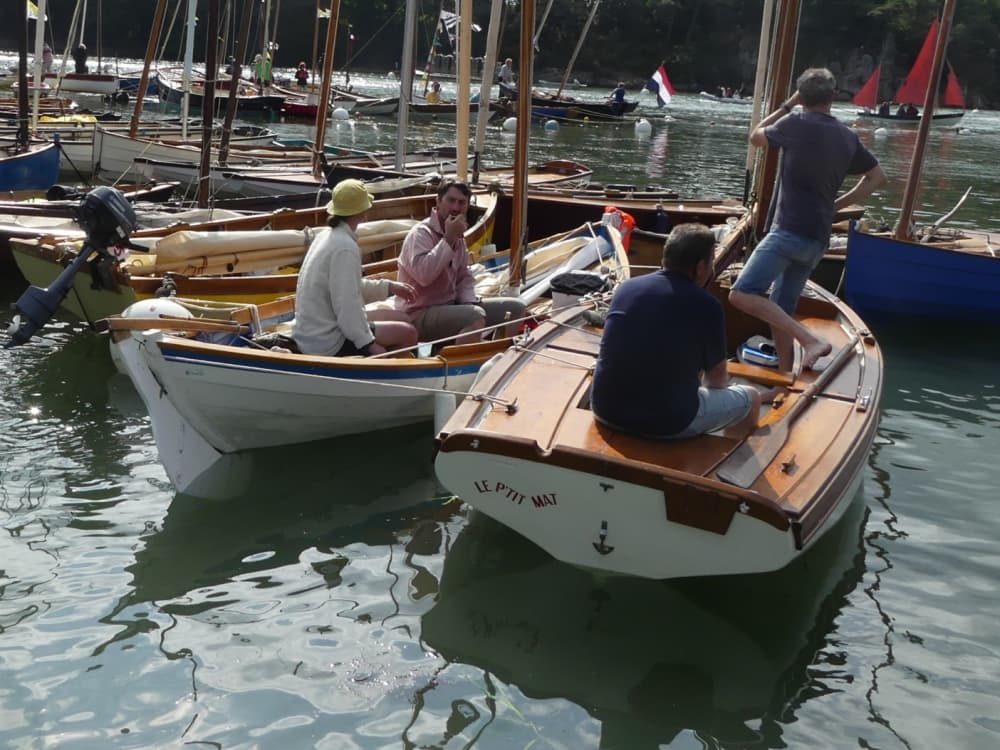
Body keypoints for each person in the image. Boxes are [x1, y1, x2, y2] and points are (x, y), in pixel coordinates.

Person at [730, 67, 887, 371]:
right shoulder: (847, 135)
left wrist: (788, 105)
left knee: (741, 294)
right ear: (833, 96)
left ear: (802, 96)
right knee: (781, 309)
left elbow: (756, 138)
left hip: (788, 231)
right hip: (817, 239)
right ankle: (787, 373)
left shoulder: (794, 122)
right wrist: (836, 206)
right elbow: (878, 178)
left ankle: (810, 341)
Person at [591, 223, 768, 439]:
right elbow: (717, 381)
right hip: (668, 424)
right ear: (701, 266)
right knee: (752, 397)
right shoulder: (708, 305)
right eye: (711, 262)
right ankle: (726, 464)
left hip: (604, 410)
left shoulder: (627, 288)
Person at [293, 179, 418, 357]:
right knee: (408, 333)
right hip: (327, 340)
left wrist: (388, 287)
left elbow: (345, 287)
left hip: (314, 329)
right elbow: (346, 304)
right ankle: (381, 374)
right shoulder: (345, 248)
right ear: (363, 212)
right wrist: (368, 344)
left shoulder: (326, 236)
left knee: (402, 319)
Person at [396, 180, 526, 345]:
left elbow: (464, 277)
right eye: (451, 200)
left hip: (450, 305)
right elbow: (424, 275)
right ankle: (457, 365)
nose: (456, 208)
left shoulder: (458, 236)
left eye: (461, 203)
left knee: (516, 308)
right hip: (419, 312)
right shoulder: (421, 235)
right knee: (474, 316)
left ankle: (497, 356)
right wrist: (448, 239)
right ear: (438, 201)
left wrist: (468, 302)